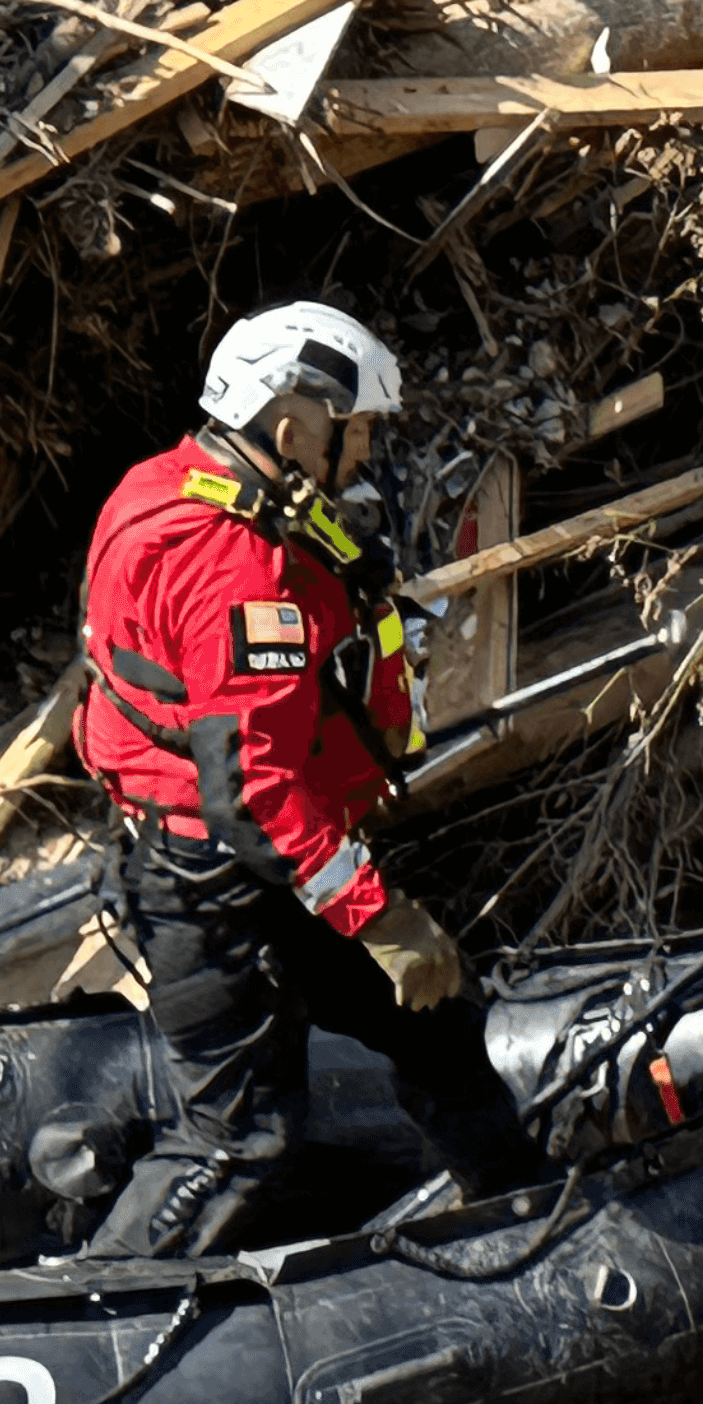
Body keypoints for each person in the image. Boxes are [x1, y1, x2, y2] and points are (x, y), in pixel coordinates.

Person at [73, 302, 547, 1255]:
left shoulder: (169, 483)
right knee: (239, 1137)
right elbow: (252, 792)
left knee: (440, 1023)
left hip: (268, 860)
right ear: (292, 429)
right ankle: (101, 1299)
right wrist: (381, 917)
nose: (363, 454)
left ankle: (520, 1211)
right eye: (355, 431)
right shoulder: (235, 568)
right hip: (216, 880)